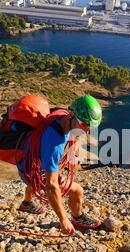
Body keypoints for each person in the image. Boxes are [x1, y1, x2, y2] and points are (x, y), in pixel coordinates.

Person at [16, 95, 103, 236]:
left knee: (35, 182)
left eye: (90, 128)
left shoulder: (62, 115)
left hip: (28, 163)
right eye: (84, 126)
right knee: (77, 191)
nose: (86, 132)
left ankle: (26, 204)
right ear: (72, 115)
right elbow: (51, 186)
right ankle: (77, 218)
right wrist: (63, 219)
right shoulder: (55, 144)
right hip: (31, 168)